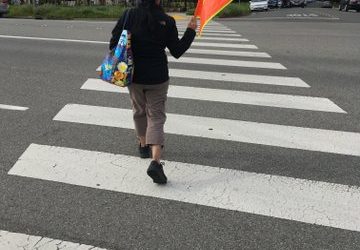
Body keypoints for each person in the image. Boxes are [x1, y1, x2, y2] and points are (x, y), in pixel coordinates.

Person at [109, 0, 197, 184]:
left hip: (133, 75)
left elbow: (113, 43)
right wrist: (190, 31)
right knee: (156, 117)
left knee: (139, 111)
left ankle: (143, 146)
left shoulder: (128, 15)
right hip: (158, 76)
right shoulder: (167, 20)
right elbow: (177, 51)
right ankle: (155, 161)